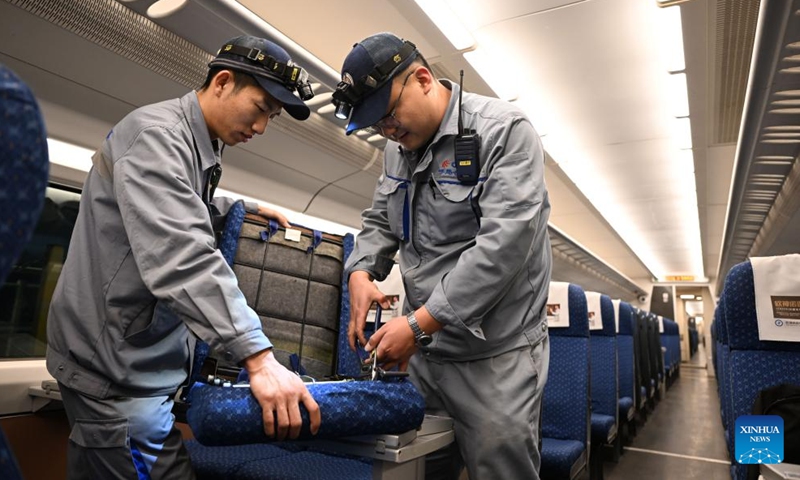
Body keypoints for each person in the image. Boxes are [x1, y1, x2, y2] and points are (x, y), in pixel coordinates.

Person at [46, 35, 321, 479]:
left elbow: (178, 203)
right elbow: (183, 256)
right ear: (223, 82)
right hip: (114, 374)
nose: (262, 128)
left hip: (131, 364)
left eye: (271, 117)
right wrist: (259, 357)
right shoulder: (157, 135)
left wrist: (240, 210)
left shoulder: (197, 145)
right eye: (260, 108)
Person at [333, 33, 552, 479]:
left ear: (423, 78)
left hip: (496, 358)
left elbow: (502, 249)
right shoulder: (397, 149)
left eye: (390, 115)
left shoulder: (504, 132)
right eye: (378, 126)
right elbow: (379, 220)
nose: (389, 132)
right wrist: (360, 271)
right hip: (424, 356)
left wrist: (417, 325)